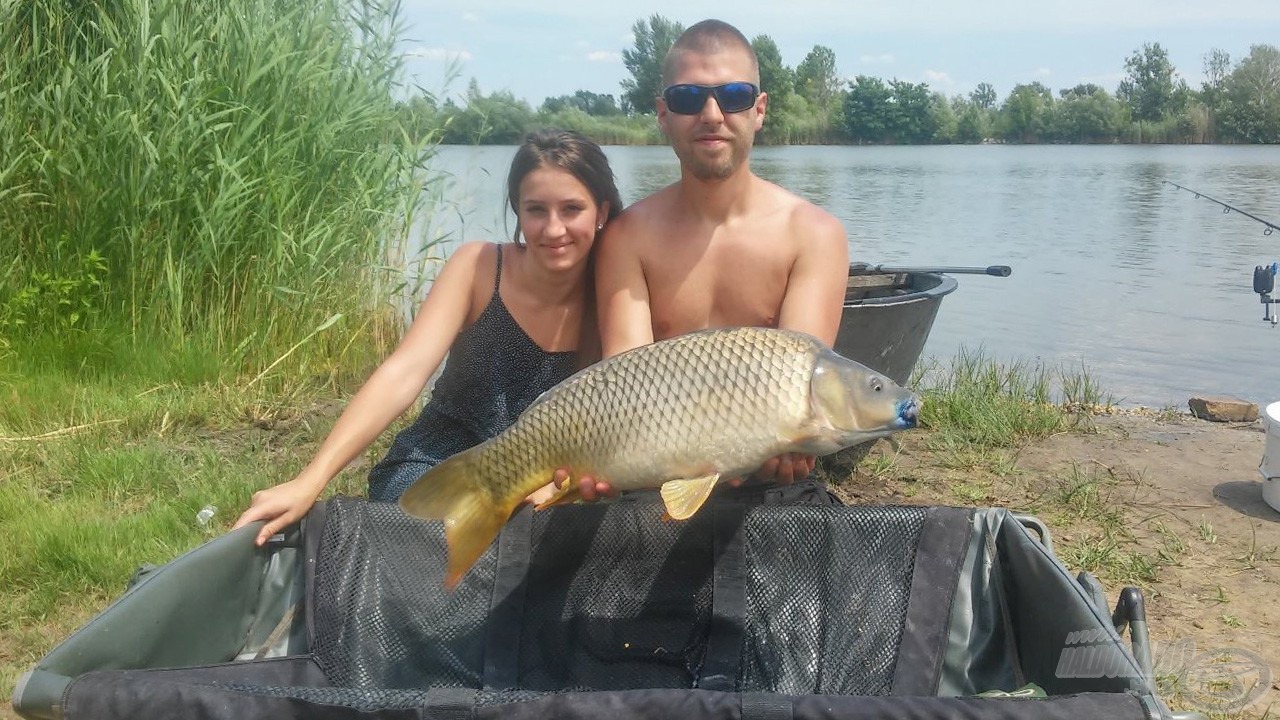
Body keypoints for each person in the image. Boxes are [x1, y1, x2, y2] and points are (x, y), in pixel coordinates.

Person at [233, 130, 622, 546]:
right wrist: (310, 480)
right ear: (518, 212)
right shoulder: (478, 267)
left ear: (600, 211)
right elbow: (404, 371)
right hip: (440, 464)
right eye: (536, 210)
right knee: (437, 539)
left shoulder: (617, 294)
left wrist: (558, 487)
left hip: (551, 481)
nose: (553, 228)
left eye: (571, 209)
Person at [569, 19, 849, 502]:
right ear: (663, 114)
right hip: (654, 476)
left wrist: (792, 449)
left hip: (764, 483)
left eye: (734, 95)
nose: (712, 113)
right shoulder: (628, 237)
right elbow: (621, 391)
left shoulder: (815, 235)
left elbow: (801, 394)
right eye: (687, 98)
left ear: (759, 110)